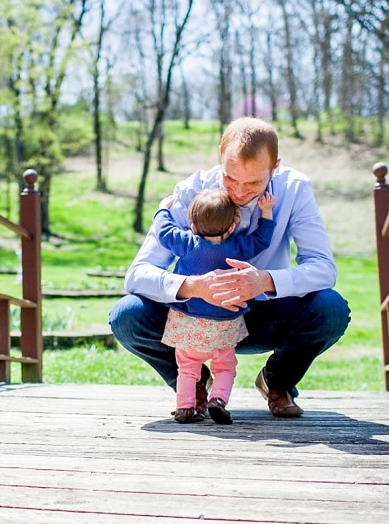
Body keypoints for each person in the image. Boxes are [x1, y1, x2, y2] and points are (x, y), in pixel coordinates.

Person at [109, 116, 350, 418]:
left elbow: (324, 268)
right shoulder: (190, 191)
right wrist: (194, 287)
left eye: (253, 183)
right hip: (193, 317)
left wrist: (264, 281)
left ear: (275, 167)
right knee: (127, 316)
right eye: (230, 178)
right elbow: (137, 275)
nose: (239, 191)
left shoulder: (295, 189)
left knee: (331, 308)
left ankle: (278, 382)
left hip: (265, 313)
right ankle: (194, 385)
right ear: (220, 159)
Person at [155, 187, 276, 424]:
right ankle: (218, 400)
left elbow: (164, 232)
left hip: (189, 324)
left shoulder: (187, 243)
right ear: (232, 226)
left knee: (188, 368)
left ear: (193, 227)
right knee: (225, 367)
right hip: (226, 325)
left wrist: (163, 208)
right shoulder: (237, 247)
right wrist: (267, 212)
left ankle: (185, 407)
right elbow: (262, 239)